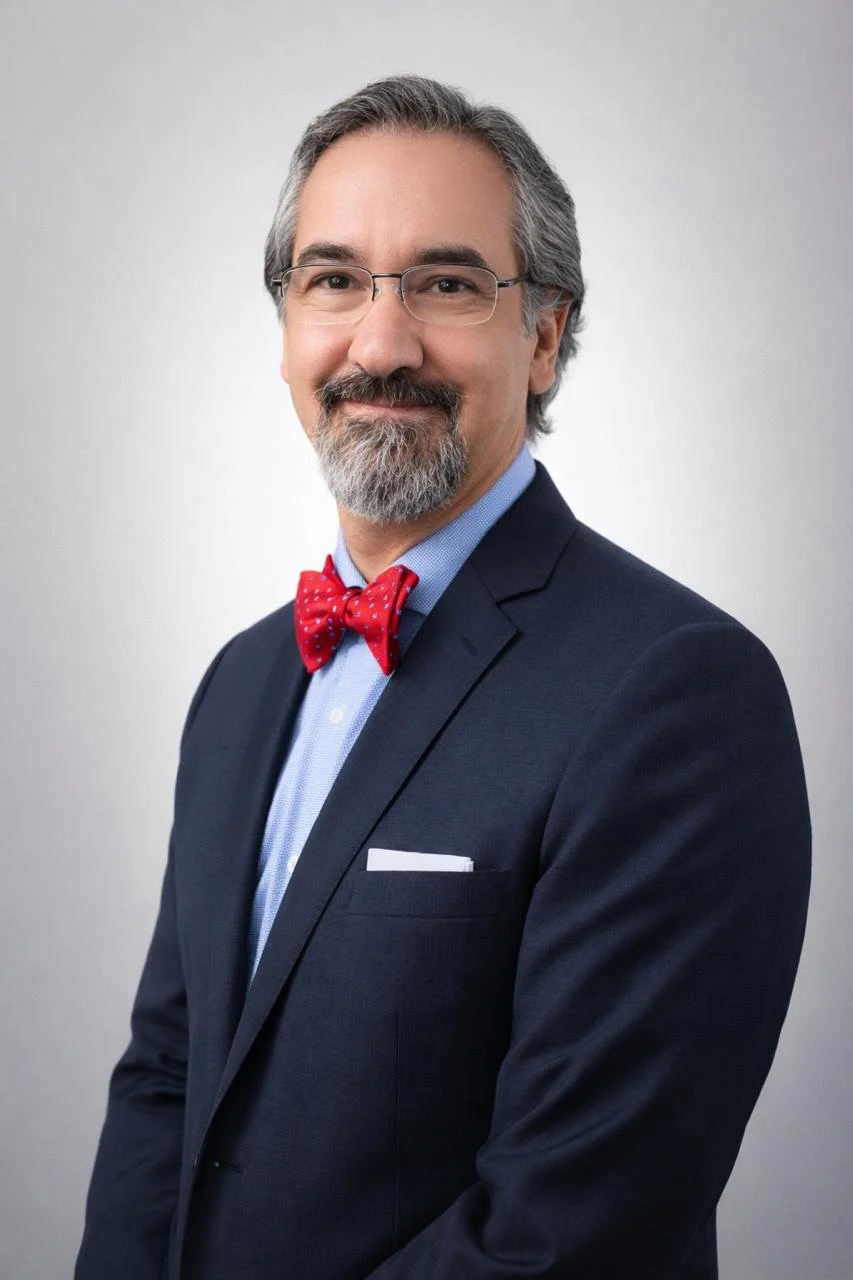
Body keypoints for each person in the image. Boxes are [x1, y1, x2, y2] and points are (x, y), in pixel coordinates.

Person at [75, 75, 811, 1280]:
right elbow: (168, 1074)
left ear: (544, 334)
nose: (381, 342)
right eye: (333, 281)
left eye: (447, 283)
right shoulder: (240, 682)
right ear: (285, 330)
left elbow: (575, 1226)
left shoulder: (679, 691)